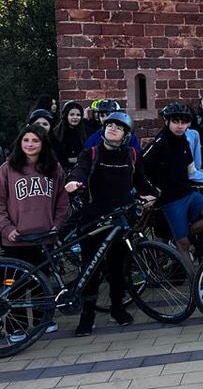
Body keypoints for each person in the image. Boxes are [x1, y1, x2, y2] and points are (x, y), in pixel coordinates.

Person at [65, 112, 158, 335]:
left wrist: (153, 193)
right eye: (110, 125)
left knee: (119, 268)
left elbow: (141, 180)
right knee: (91, 268)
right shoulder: (92, 153)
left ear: (126, 134)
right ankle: (87, 316)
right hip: (94, 220)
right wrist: (74, 182)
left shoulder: (132, 155)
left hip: (121, 220)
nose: (113, 129)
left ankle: (117, 309)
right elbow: (80, 170)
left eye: (118, 127)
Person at [143, 103, 203, 261]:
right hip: (170, 198)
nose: (180, 126)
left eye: (183, 122)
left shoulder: (184, 141)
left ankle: (179, 235)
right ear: (168, 122)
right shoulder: (159, 143)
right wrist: (149, 193)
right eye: (176, 122)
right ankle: (194, 283)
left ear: (189, 124)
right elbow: (140, 168)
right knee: (183, 245)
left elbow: (191, 171)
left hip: (187, 192)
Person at [0, 125, 69, 271]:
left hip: (44, 237)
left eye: (35, 140)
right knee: (15, 290)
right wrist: (6, 228)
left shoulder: (54, 168)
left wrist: (56, 225)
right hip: (16, 238)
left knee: (41, 290)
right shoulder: (7, 169)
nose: (30, 144)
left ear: (43, 143)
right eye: (25, 140)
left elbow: (62, 202)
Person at [50, 100, 86, 170]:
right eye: (72, 115)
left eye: (78, 115)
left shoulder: (86, 131)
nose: (75, 117)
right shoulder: (57, 133)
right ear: (66, 115)